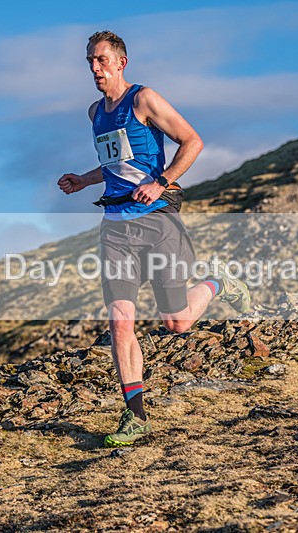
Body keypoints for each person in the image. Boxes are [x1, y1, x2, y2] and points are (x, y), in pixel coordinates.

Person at [58, 30, 251, 447]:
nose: (95, 68)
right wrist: (83, 179)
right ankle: (136, 416)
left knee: (177, 322)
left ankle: (218, 283)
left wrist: (162, 181)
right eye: (90, 61)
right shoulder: (95, 112)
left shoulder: (143, 99)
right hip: (115, 225)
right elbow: (116, 165)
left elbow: (192, 141)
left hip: (157, 220)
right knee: (120, 319)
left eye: (102, 60)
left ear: (121, 62)